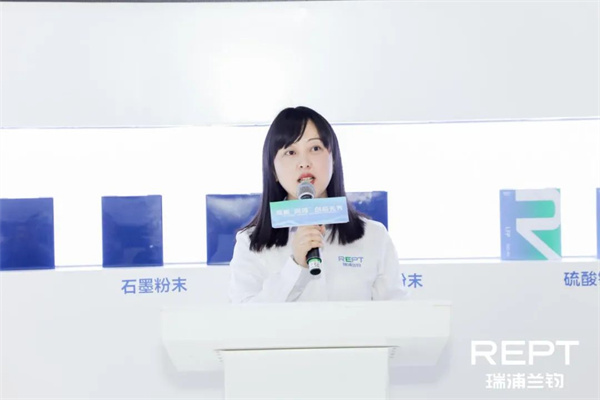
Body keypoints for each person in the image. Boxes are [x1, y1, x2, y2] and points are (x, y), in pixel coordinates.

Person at [228, 106, 407, 303]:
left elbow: (396, 313)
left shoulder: (373, 236)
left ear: (333, 160)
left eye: (315, 149)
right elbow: (245, 316)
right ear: (273, 170)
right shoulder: (250, 243)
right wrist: (295, 266)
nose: (304, 162)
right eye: (290, 152)